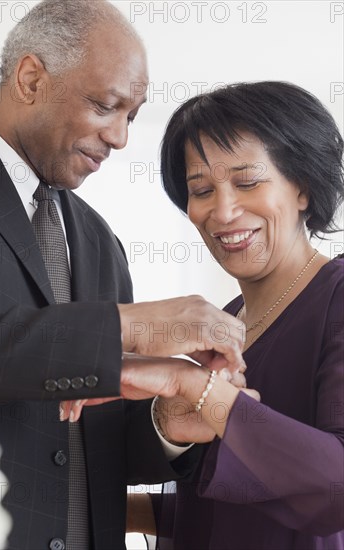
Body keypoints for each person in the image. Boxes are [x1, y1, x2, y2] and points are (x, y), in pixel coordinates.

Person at [0, 2, 248, 549]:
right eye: (106, 106)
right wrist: (129, 327)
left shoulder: (99, 239)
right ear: (30, 79)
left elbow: (100, 444)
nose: (121, 138)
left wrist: (171, 420)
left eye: (132, 115)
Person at [127, 81, 344, 549]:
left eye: (247, 182)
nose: (223, 211)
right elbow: (227, 506)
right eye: (201, 189)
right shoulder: (224, 323)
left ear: (303, 187)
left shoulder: (337, 297)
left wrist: (199, 391)